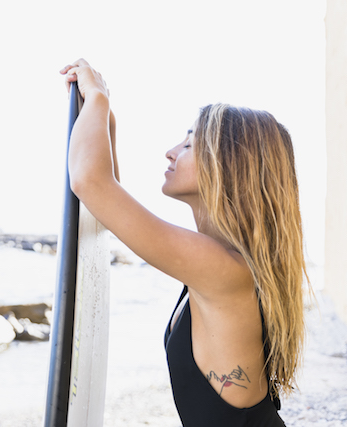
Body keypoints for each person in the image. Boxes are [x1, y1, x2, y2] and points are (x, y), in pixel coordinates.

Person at [60, 58, 307, 426]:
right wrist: (105, 115)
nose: (171, 151)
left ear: (227, 166)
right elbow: (107, 197)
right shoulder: (222, 262)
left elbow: (91, 183)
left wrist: (97, 98)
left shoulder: (222, 268)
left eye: (189, 144)